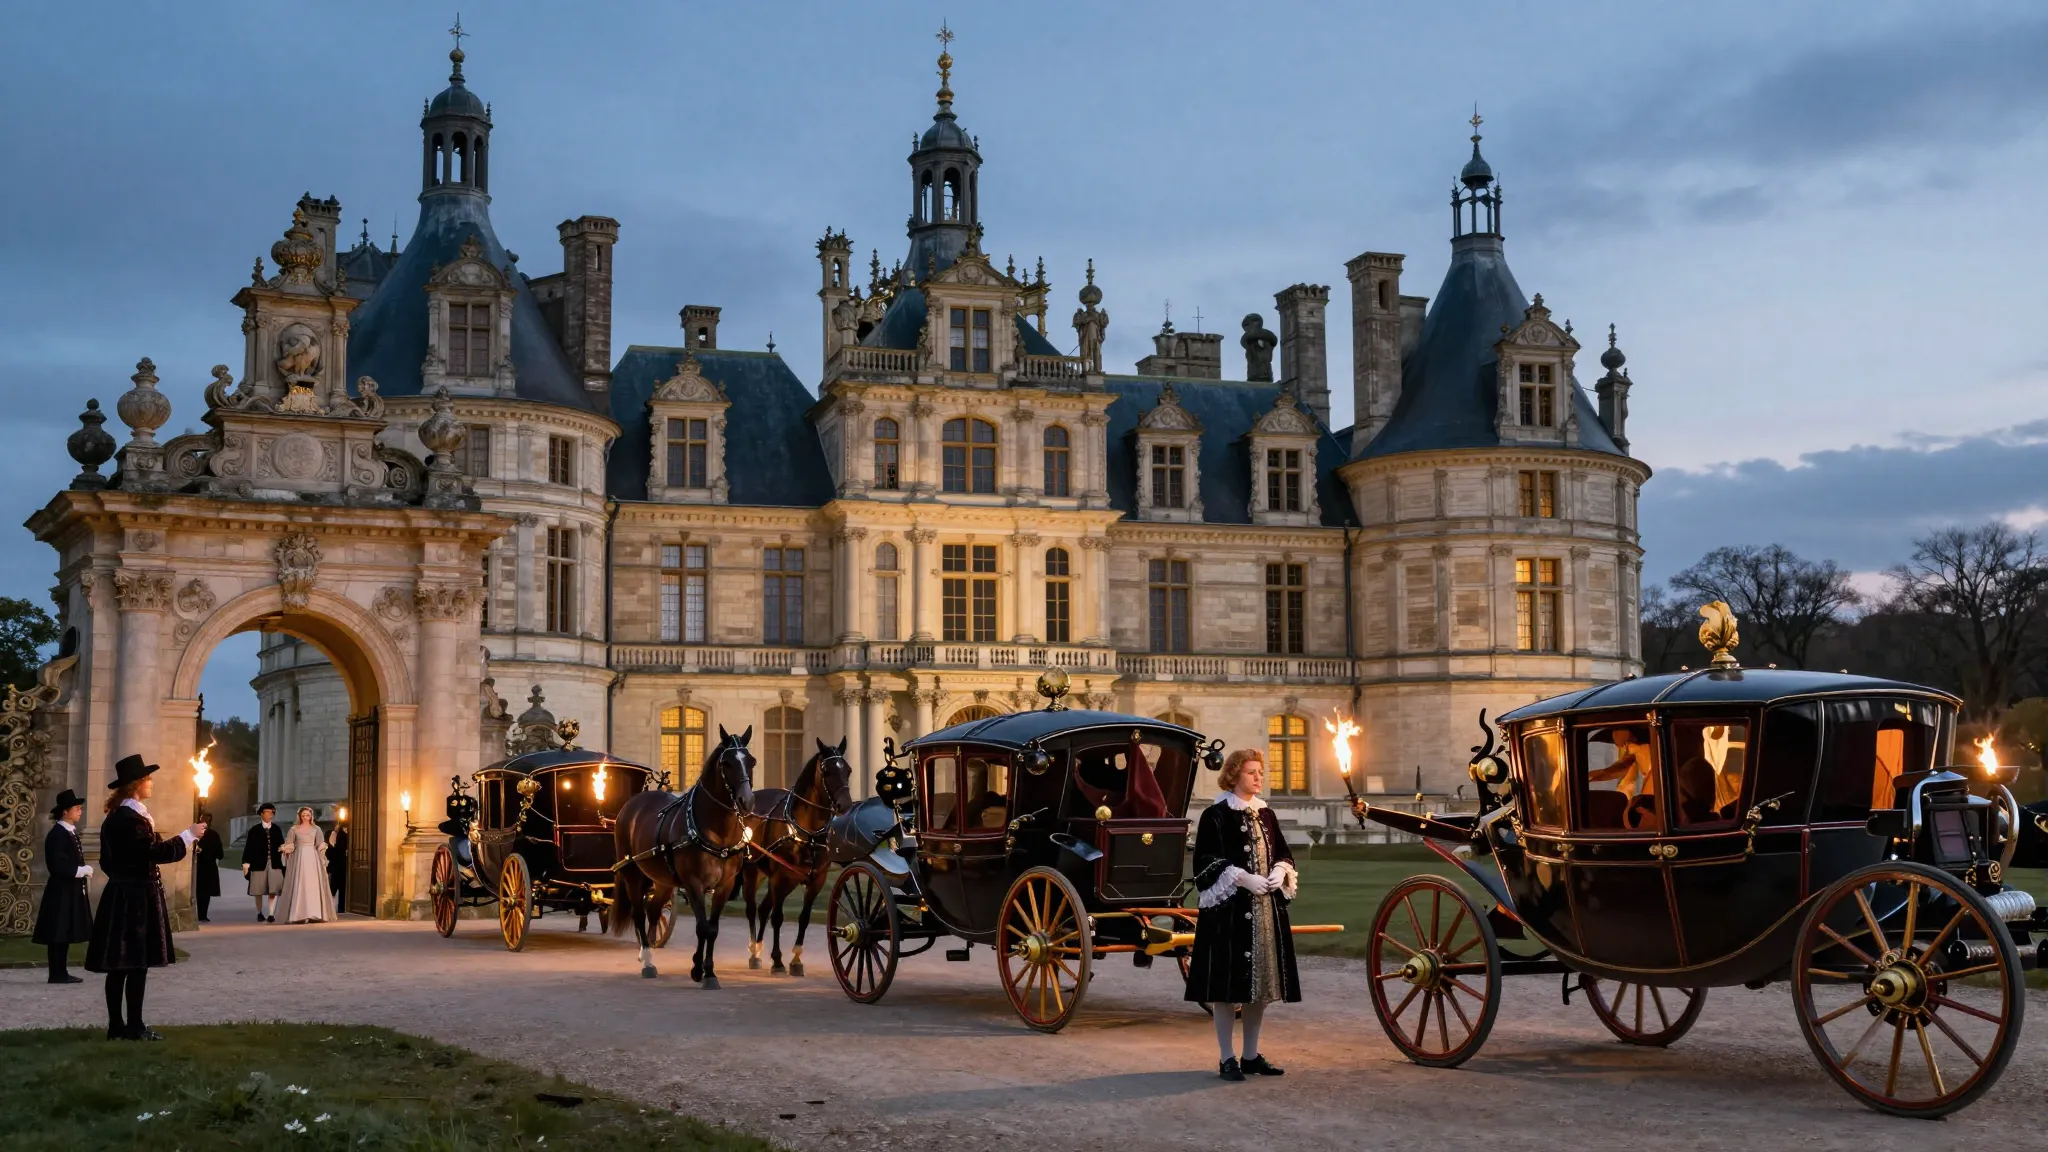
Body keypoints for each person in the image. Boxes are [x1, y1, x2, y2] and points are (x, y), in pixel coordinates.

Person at [1184, 748, 1300, 1081]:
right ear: (1234, 775)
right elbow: (1205, 861)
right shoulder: (1216, 815)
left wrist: (1280, 869)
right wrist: (1240, 877)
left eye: (1260, 772)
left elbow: (1282, 851)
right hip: (1228, 915)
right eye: (1251, 772)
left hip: (1264, 913)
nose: (1258, 778)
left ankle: (1250, 1055)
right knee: (1226, 989)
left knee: (1260, 988)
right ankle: (1226, 1057)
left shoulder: (1266, 814)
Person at [84, 754, 206, 1041]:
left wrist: (185, 841)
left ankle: (124, 1027)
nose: (151, 783)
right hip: (134, 898)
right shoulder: (129, 818)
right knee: (131, 964)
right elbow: (152, 852)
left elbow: (145, 850)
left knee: (127, 965)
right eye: (148, 779)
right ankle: (128, 1027)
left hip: (126, 894)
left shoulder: (123, 816)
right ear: (136, 784)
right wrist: (187, 836)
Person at [32, 789, 94, 984]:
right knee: (58, 931)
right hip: (60, 890)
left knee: (64, 930)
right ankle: (57, 972)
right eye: (76, 808)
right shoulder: (58, 833)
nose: (80, 811)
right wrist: (81, 870)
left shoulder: (69, 831)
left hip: (69, 889)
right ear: (65, 812)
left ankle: (61, 971)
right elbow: (57, 864)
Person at [273, 806, 336, 924]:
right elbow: (291, 844)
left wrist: (324, 848)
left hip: (313, 858)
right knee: (300, 883)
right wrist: (286, 849)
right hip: (299, 858)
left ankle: (315, 913)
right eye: (303, 815)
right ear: (299, 816)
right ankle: (299, 914)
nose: (306, 817)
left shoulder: (316, 829)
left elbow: (319, 844)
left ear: (311, 816)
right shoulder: (294, 829)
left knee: (313, 885)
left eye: (307, 815)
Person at [242, 802, 285, 922]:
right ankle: (259, 912)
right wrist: (246, 862)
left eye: (272, 812)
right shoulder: (254, 830)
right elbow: (249, 847)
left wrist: (283, 848)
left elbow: (281, 843)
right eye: (267, 812)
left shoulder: (276, 829)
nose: (270, 815)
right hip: (258, 864)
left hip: (275, 863)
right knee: (258, 889)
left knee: (274, 889)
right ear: (261, 814)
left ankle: (271, 914)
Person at [193, 813, 224, 922]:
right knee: (205, 892)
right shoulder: (213, 835)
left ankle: (200, 914)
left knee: (200, 891)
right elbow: (220, 854)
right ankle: (202, 915)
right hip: (209, 866)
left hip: (200, 865)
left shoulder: (195, 833)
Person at [326, 821, 349, 907]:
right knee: (334, 888)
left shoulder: (341, 834)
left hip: (340, 864)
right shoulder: (335, 834)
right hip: (337, 864)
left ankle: (340, 908)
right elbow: (331, 850)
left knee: (339, 888)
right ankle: (333, 908)